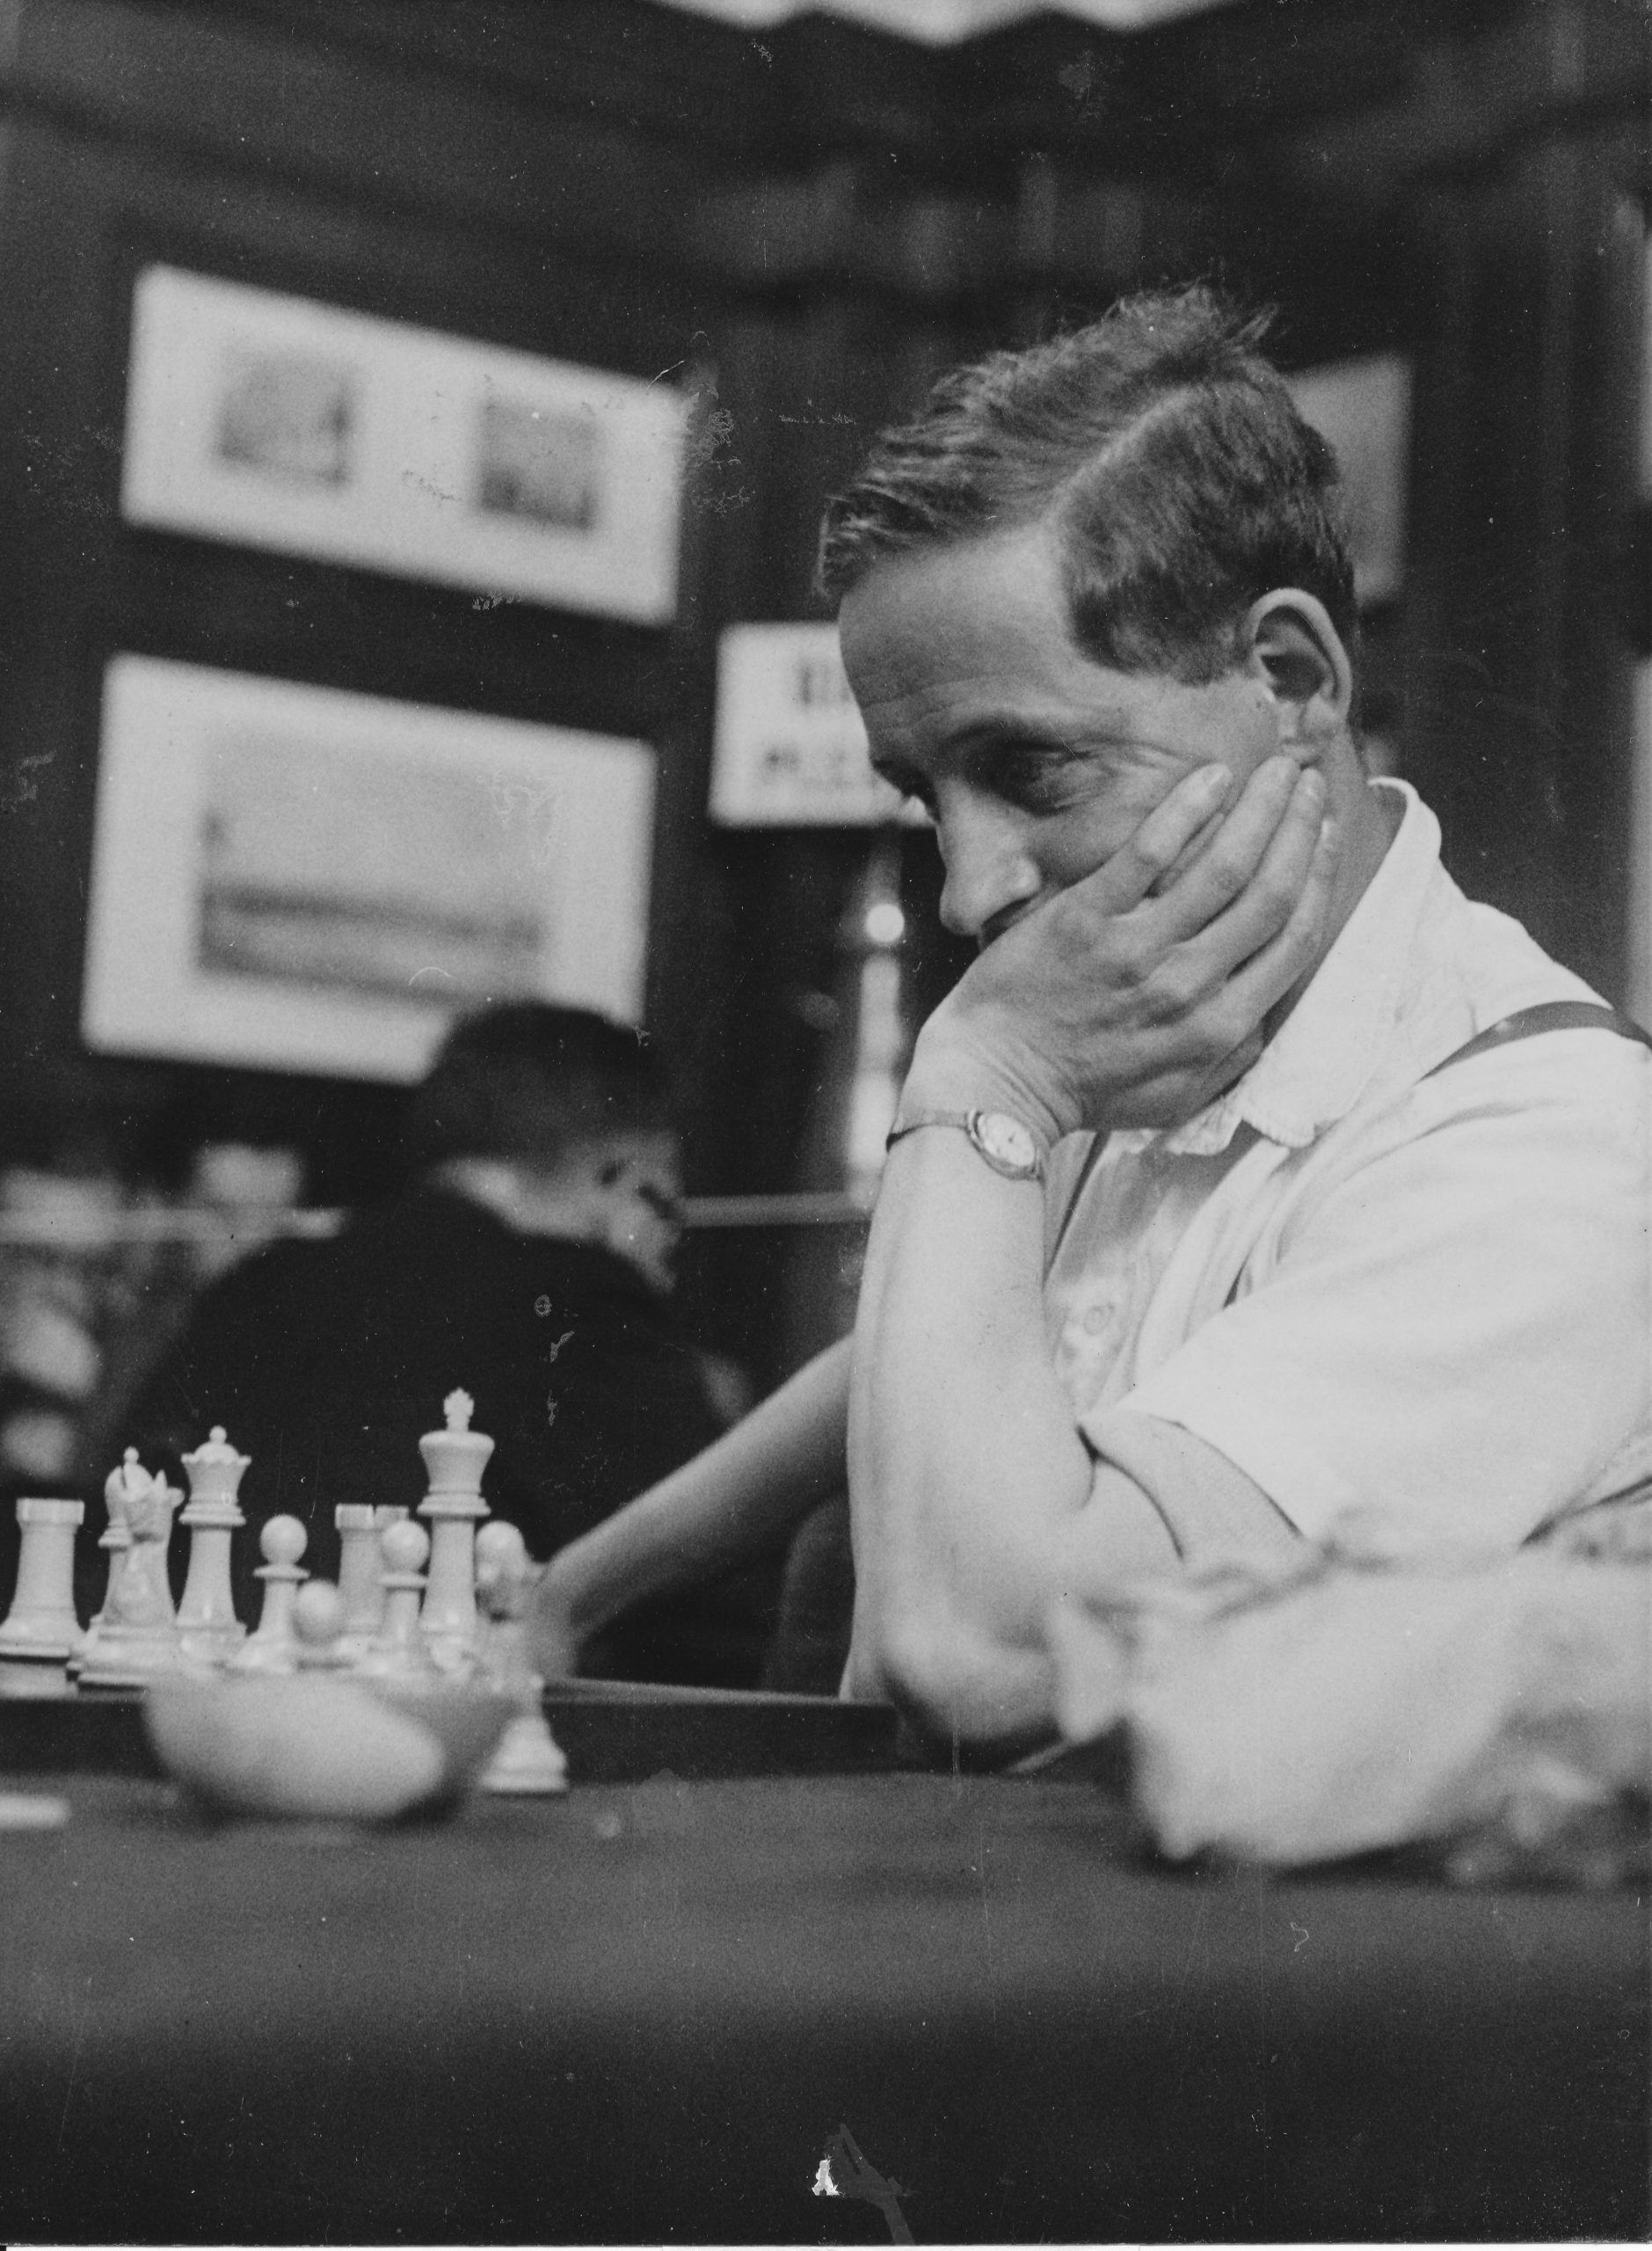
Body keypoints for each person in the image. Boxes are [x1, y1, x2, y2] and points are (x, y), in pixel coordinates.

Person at [532, 287, 1651, 1750]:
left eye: (1033, 773)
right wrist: (573, 1591)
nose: (965, 887)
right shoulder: (1168, 1007)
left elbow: (980, 1661)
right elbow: (919, 1351)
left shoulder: (1550, 1151)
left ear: (1290, 678)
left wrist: (985, 1079)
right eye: (921, 795)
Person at [117, 1002, 775, 1684]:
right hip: (417, 1739)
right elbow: (730, 1613)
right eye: (664, 1199)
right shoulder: (584, 1301)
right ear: (622, 1173)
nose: (670, 1237)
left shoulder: (256, 1281)